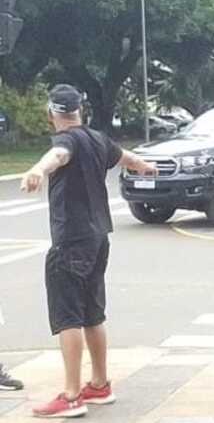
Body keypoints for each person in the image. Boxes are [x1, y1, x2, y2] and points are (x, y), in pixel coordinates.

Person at [19, 84, 157, 419]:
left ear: (52, 114)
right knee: (93, 313)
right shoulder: (98, 139)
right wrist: (148, 168)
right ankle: (99, 384)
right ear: (80, 110)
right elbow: (129, 159)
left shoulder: (65, 140)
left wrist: (39, 169)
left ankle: (70, 396)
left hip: (71, 241)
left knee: (68, 317)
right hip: (99, 239)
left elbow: (59, 156)